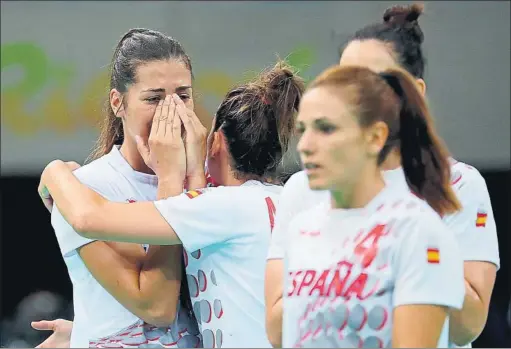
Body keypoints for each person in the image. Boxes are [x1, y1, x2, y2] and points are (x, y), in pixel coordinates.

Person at [265, 4, 499, 347]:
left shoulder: (448, 195)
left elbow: (467, 327)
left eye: (369, 81)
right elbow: (278, 331)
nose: (350, 94)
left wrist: (399, 243)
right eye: (343, 79)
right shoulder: (303, 195)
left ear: (413, 92)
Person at [36, 61, 305, 348]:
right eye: (154, 98)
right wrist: (85, 331)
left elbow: (87, 218)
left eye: (182, 97)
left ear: (215, 142)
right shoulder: (283, 198)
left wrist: (55, 171)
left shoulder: (218, 207)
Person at [33, 28, 205, 348]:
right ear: (118, 103)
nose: (171, 112)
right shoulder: (83, 190)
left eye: (182, 96)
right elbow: (156, 308)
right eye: (154, 98)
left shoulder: (210, 182)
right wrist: (168, 180)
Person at [279, 63, 466, 347]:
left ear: (375, 137)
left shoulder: (416, 231)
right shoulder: (301, 230)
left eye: (326, 128)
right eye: (302, 130)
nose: (305, 145)